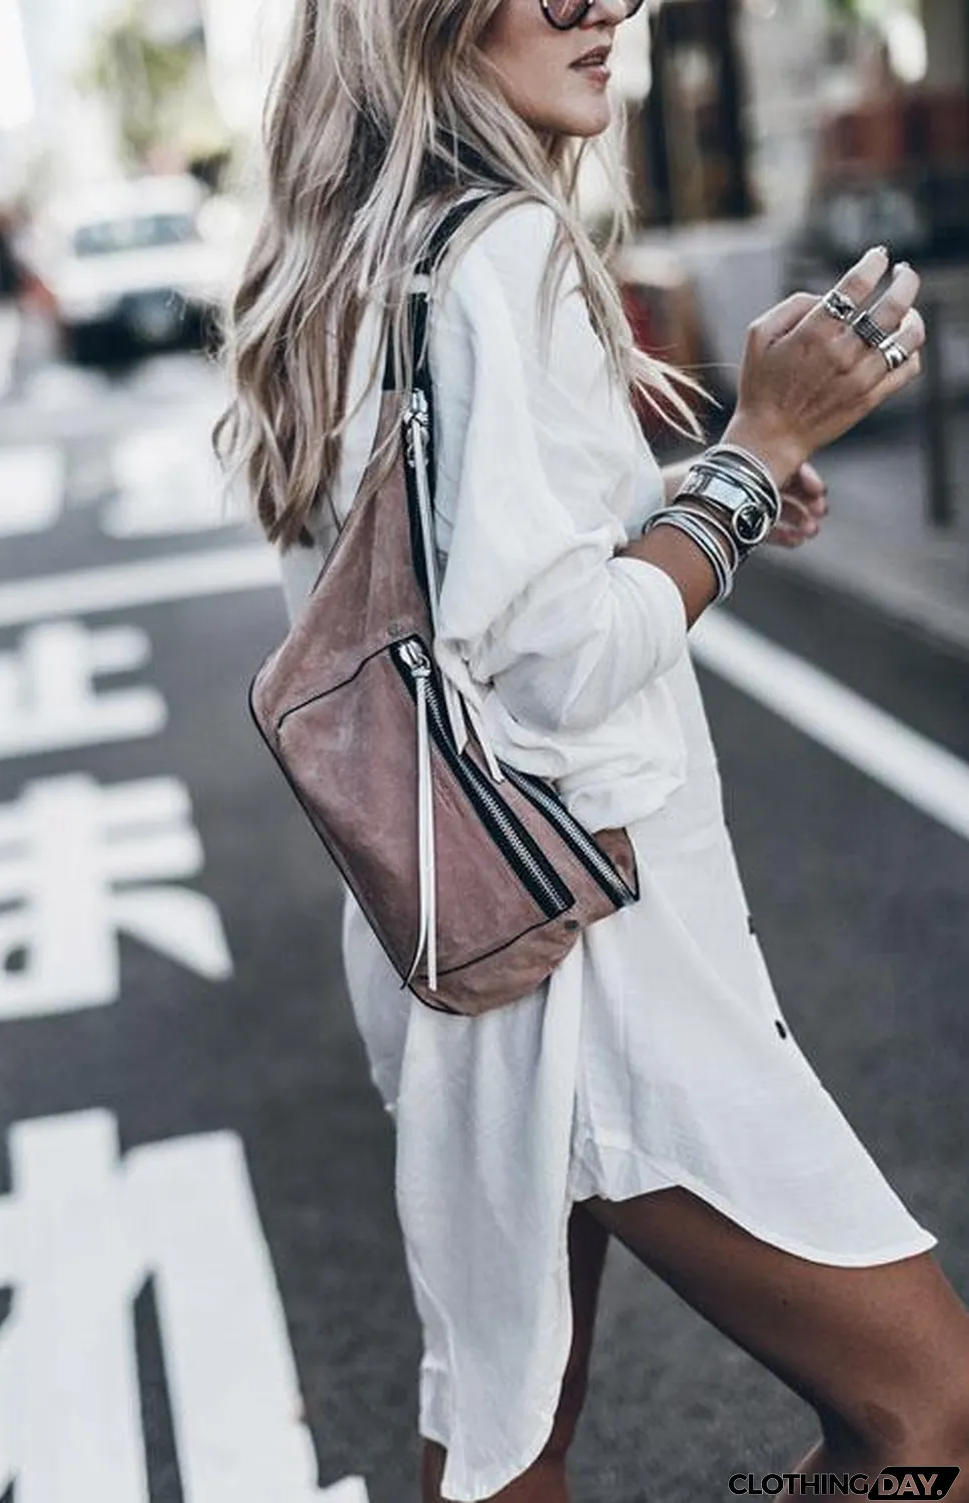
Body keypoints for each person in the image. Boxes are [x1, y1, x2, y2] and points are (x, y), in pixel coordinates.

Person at [216, 0, 969, 1498]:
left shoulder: (364, 260)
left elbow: (458, 596)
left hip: (459, 936)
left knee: (507, 1447)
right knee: (927, 1419)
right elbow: (556, 672)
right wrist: (749, 467)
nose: (604, 5)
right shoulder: (499, 251)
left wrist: (687, 503)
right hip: (588, 946)